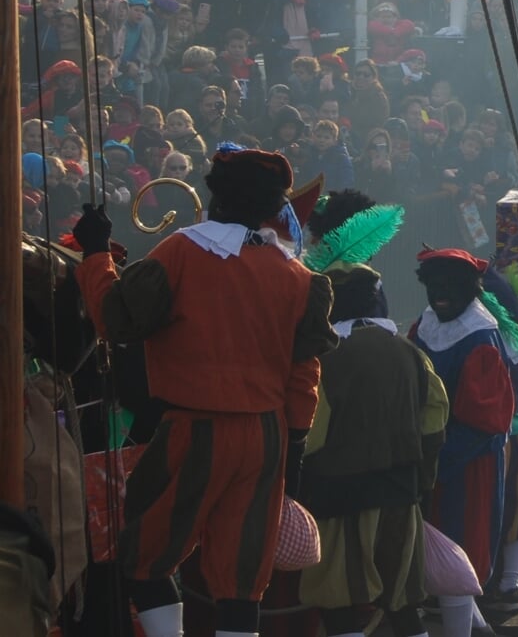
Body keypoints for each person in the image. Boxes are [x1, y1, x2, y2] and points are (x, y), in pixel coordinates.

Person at [71, 145, 337, 637]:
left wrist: (95, 255)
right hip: (266, 435)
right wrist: (294, 442)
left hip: (196, 427)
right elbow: (304, 373)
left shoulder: (179, 252)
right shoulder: (297, 276)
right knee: (242, 571)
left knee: (146, 549)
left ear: (216, 196)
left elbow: (118, 320)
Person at [299, 260, 448, 637]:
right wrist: (423, 481)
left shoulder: (325, 359)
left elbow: (312, 435)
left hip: (341, 495)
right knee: (402, 603)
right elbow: (435, 419)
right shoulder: (411, 353)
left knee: (341, 601)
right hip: (400, 493)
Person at [410, 247, 517, 637]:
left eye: (450, 286)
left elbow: (485, 421)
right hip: (428, 458)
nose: (440, 294)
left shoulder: (481, 339)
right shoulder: (423, 327)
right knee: (437, 552)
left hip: (467, 465)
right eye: (433, 285)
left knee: (459, 548)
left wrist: (436, 461)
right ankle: (479, 628)